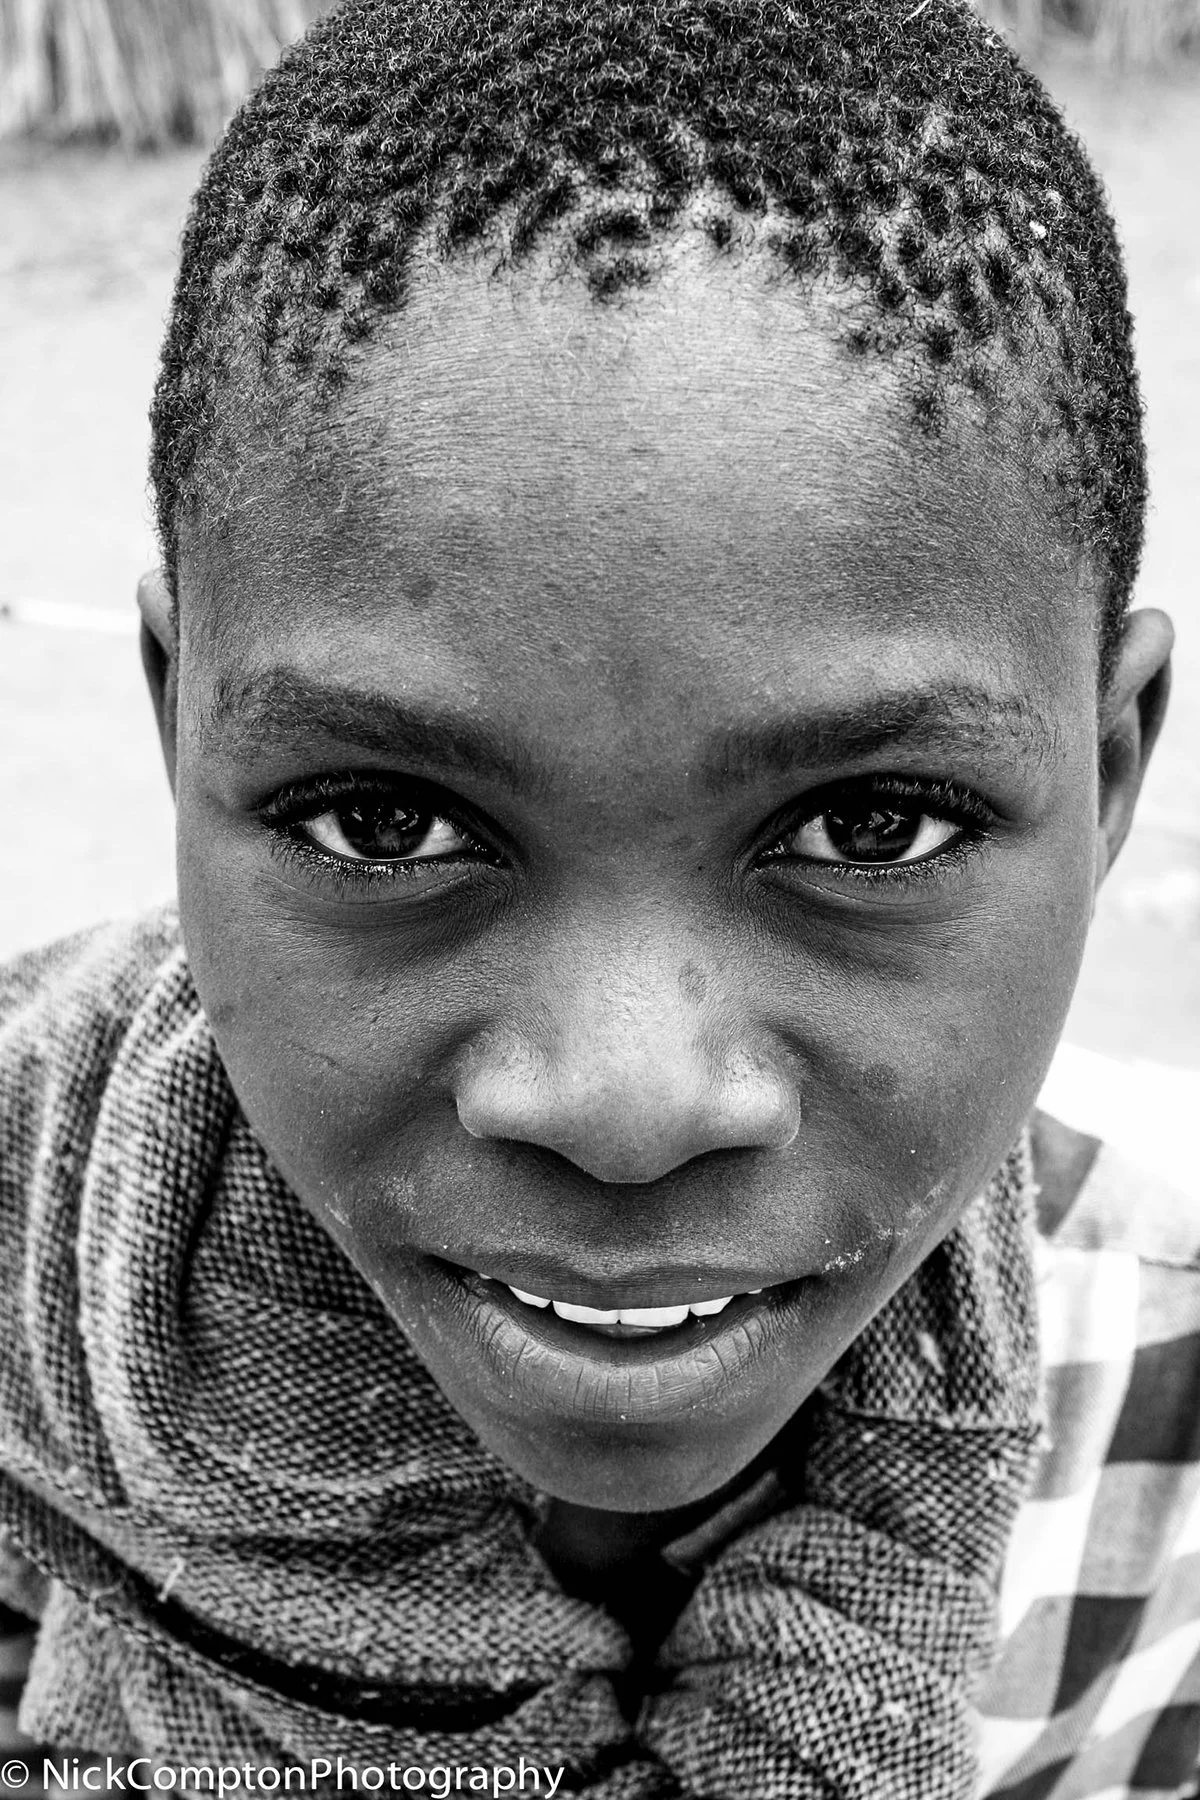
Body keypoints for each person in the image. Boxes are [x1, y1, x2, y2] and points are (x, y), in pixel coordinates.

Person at [0, 0, 1193, 1793]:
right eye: (385, 826)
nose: (627, 1109)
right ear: (176, 731)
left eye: (873, 833)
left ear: (1109, 776)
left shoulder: (1164, 1448)